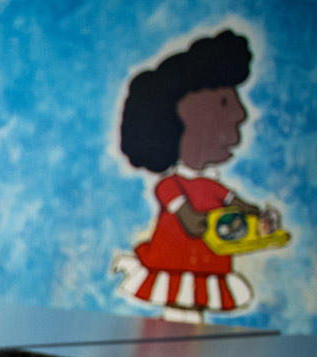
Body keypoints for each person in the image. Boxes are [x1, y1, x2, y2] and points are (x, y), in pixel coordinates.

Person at [115, 29, 280, 319]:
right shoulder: (170, 185)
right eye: (224, 102)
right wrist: (214, 221)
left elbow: (236, 204)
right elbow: (191, 222)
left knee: (194, 332)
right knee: (178, 322)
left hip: (206, 268)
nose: (240, 115)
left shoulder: (211, 186)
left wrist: (256, 216)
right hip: (175, 267)